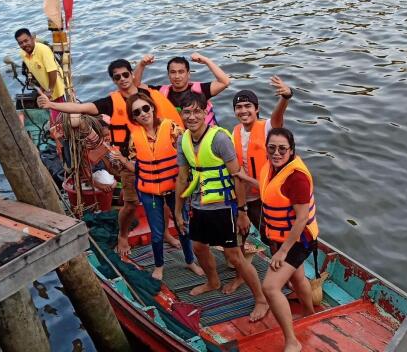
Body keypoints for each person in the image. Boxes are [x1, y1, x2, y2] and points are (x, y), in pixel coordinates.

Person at [37, 59, 182, 256]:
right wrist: (51, 104)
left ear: (131, 75)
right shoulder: (110, 102)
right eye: (117, 77)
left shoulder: (145, 96)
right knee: (130, 204)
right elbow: (82, 108)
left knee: (164, 200)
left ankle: (165, 232)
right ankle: (123, 235)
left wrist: (142, 65)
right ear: (113, 80)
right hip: (127, 161)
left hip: (156, 159)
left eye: (125, 75)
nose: (122, 79)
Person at [174, 92, 269, 322]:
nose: (192, 116)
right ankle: (213, 280)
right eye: (187, 112)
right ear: (182, 114)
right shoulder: (183, 140)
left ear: (206, 112)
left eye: (197, 111)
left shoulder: (219, 139)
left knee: (234, 256)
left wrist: (242, 212)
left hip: (223, 207)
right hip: (199, 204)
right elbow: (182, 177)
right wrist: (178, 211)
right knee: (198, 246)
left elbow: (238, 176)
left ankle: (261, 299)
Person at [235, 127, 318, 352]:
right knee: (298, 277)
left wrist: (282, 252)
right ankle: (311, 314)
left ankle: (292, 341)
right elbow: (268, 187)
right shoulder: (270, 168)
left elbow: (301, 219)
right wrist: (243, 177)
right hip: (281, 237)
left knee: (271, 287)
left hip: (299, 240)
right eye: (272, 148)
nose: (277, 152)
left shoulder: (297, 177)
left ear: (291, 150)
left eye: (283, 149)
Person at [223, 76, 292, 294]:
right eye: (239, 107)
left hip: (264, 196)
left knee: (272, 238)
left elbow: (278, 118)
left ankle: (282, 278)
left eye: (248, 106)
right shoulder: (234, 132)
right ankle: (240, 276)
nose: (243, 111)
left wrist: (285, 98)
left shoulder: (267, 127)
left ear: (257, 108)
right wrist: (241, 208)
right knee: (238, 239)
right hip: (242, 196)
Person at [124, 93, 203, 279]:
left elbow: (188, 151)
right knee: (157, 232)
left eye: (145, 108)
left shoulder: (171, 128)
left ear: (152, 107)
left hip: (175, 186)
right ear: (133, 117)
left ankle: (190, 260)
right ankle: (159, 265)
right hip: (149, 192)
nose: (143, 114)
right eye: (137, 112)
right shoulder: (134, 137)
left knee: (183, 225)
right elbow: (136, 163)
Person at [133, 53, 230, 125]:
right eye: (173, 72)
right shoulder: (159, 92)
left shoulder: (200, 90)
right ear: (168, 75)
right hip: (176, 138)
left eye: (181, 72)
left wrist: (206, 61)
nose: (177, 76)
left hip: (202, 137)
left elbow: (225, 82)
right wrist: (141, 64)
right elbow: (135, 86)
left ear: (188, 74)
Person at [15, 28, 66, 122]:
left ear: (32, 38)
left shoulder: (43, 50)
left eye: (26, 41)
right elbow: (35, 71)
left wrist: (50, 90)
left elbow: (52, 71)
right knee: (53, 113)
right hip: (45, 88)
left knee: (60, 115)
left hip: (56, 86)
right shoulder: (23, 53)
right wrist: (42, 88)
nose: (24, 44)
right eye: (21, 43)